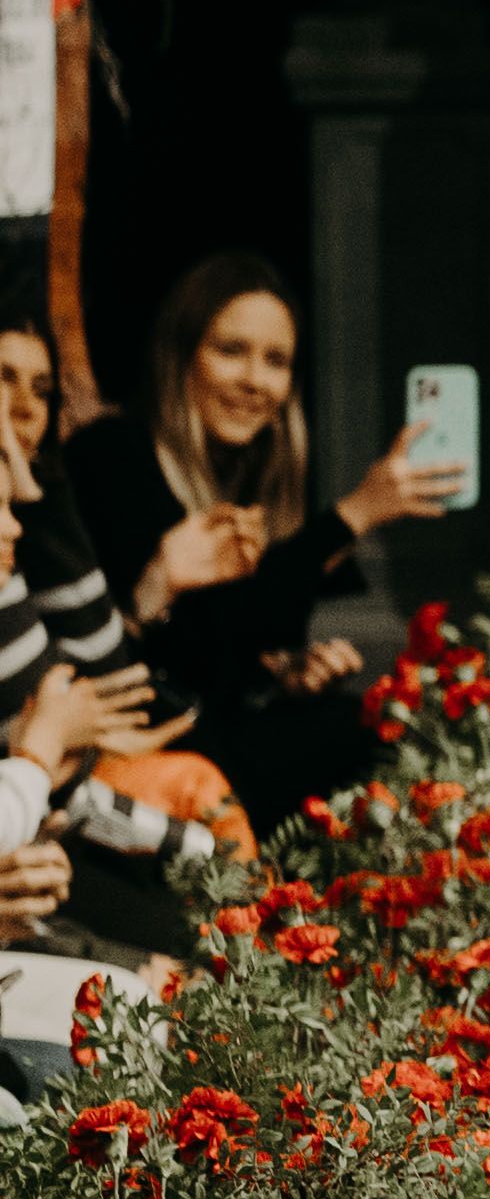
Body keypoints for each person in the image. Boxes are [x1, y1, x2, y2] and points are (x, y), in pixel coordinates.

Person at [65, 254, 463, 826]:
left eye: (276, 361)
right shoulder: (112, 455)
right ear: (180, 356)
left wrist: (284, 677)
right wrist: (354, 514)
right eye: (231, 351)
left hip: (206, 734)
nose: (255, 380)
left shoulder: (246, 476)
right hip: (123, 752)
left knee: (384, 723)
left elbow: (225, 646)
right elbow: (181, 653)